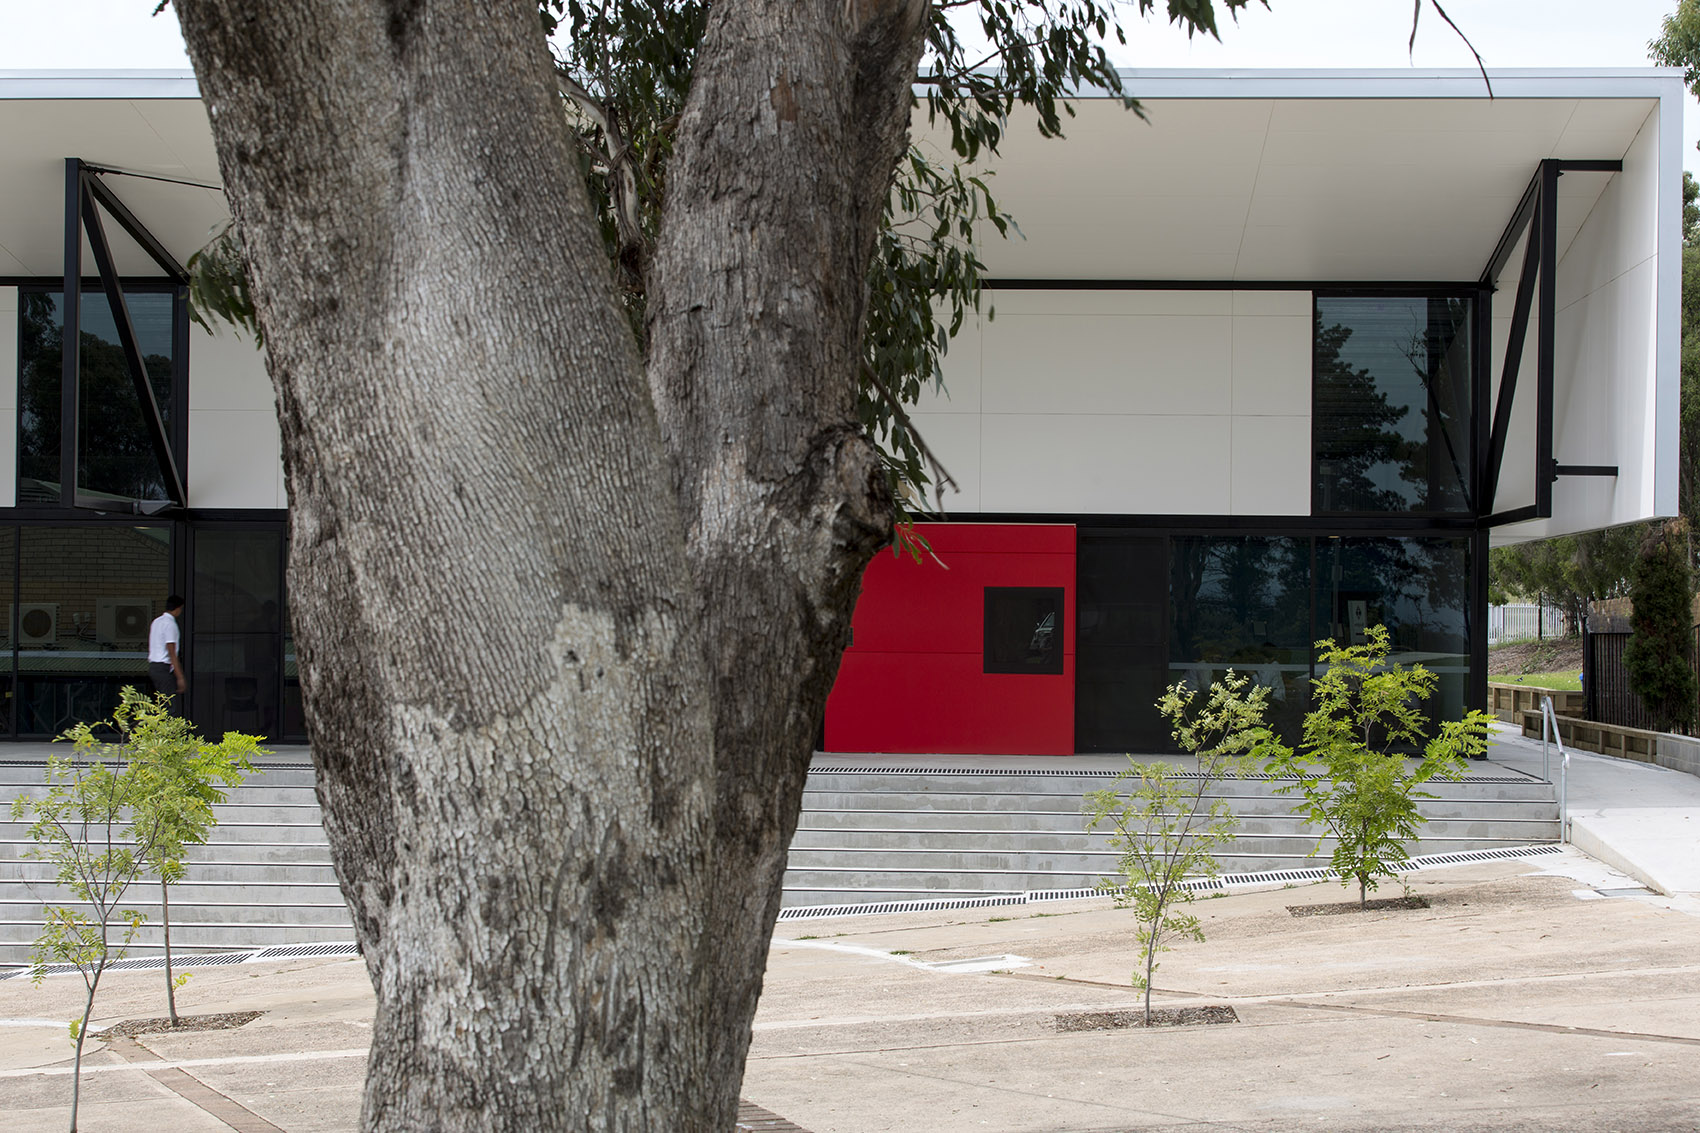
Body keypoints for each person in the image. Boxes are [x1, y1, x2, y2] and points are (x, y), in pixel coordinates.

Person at [148, 595, 187, 701]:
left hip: (153, 667)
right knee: (168, 705)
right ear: (178, 608)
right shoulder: (170, 624)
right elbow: (171, 652)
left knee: (157, 704)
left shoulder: (156, 622)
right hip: (163, 668)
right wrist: (180, 677)